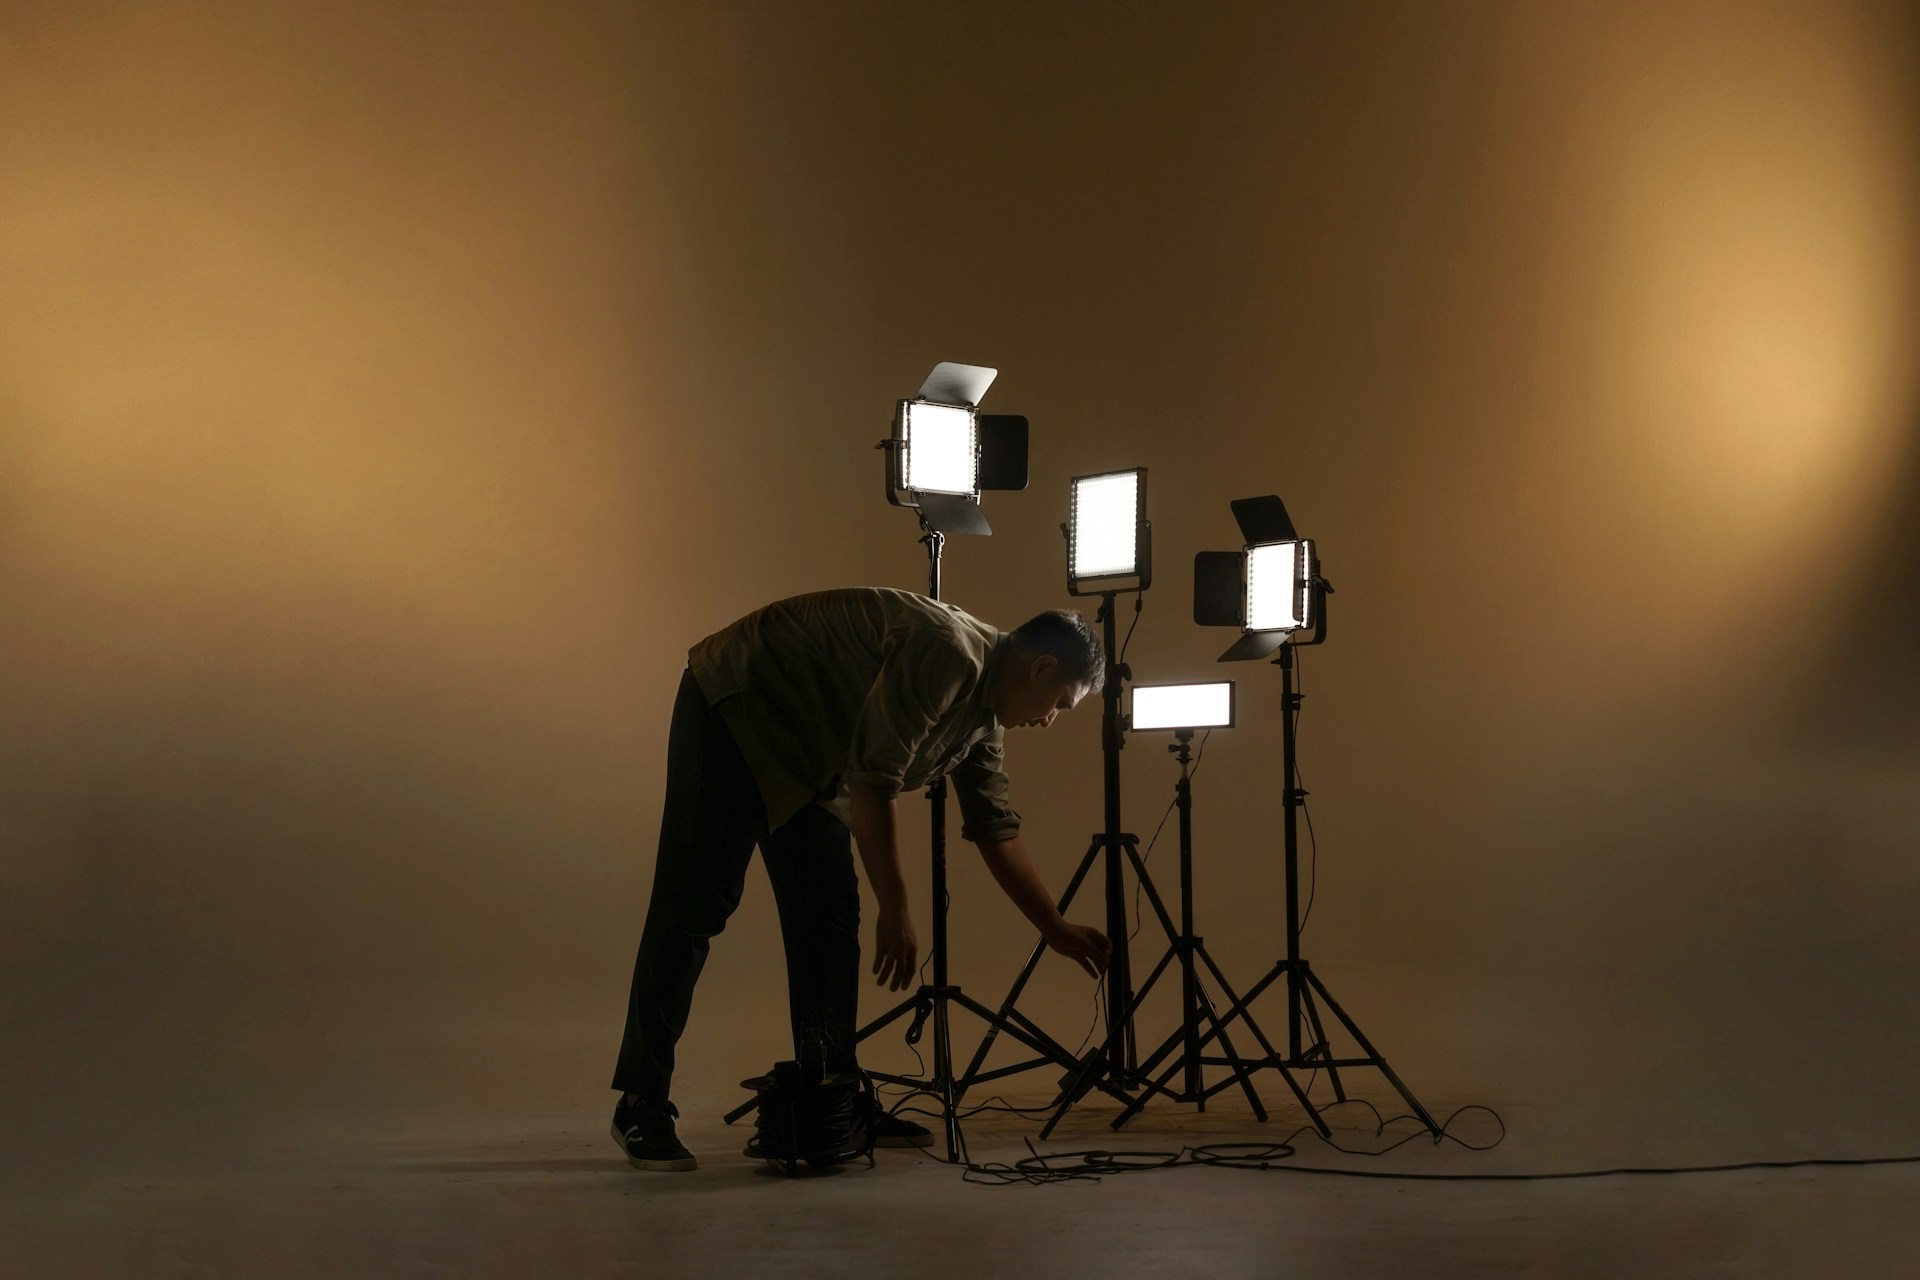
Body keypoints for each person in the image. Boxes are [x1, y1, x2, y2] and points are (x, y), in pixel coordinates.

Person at [610, 586, 1113, 1170]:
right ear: (1042, 668)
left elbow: (994, 826)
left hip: (815, 751)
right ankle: (640, 1102)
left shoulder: (984, 723)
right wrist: (894, 905)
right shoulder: (949, 653)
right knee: (695, 903)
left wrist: (1052, 927)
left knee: (828, 917)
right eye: (1060, 704)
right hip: (738, 701)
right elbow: (876, 779)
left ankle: (833, 1095)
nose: (1049, 720)